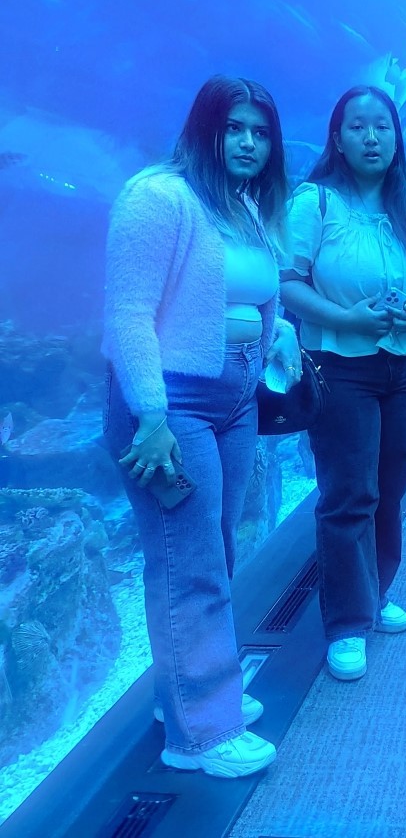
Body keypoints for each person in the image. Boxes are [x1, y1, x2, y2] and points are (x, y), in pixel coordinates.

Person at [102, 75, 299, 778]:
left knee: (210, 547)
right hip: (170, 403)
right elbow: (128, 313)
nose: (248, 142)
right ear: (205, 128)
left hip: (235, 395)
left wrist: (278, 337)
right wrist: (150, 416)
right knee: (188, 563)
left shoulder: (244, 204)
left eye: (260, 130)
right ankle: (201, 735)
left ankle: (183, 694)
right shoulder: (159, 196)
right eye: (234, 127)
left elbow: (254, 292)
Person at [280, 86, 406, 682]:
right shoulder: (314, 203)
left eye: (382, 126)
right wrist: (346, 318)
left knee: (392, 480)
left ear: (397, 136)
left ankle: (377, 591)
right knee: (348, 490)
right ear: (338, 137)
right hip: (339, 362)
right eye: (358, 126)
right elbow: (289, 281)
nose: (372, 137)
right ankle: (347, 622)